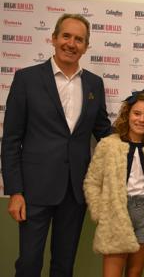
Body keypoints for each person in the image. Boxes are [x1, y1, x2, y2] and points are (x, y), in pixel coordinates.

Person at [1, 14, 111, 277]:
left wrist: (141, 137)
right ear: (53, 38)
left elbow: (103, 131)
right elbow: (11, 140)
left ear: (86, 46)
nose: (71, 44)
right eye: (66, 36)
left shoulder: (94, 83)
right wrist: (15, 191)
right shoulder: (26, 79)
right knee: (28, 264)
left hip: (75, 191)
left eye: (79, 39)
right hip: (33, 191)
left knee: (64, 266)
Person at [84, 89, 144, 277]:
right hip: (117, 211)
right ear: (128, 114)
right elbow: (92, 182)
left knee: (135, 273)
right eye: (137, 114)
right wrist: (100, 212)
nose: (141, 120)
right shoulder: (108, 144)